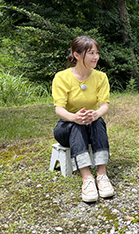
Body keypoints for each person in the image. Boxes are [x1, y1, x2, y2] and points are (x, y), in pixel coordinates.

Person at [52, 36, 114, 202]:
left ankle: (102, 175)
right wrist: (74, 117)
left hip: (90, 123)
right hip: (66, 127)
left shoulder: (101, 77)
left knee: (98, 121)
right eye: (91, 53)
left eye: (97, 53)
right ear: (77, 55)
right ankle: (86, 178)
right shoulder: (62, 77)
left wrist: (96, 114)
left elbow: (104, 105)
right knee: (76, 125)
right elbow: (59, 110)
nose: (96, 57)